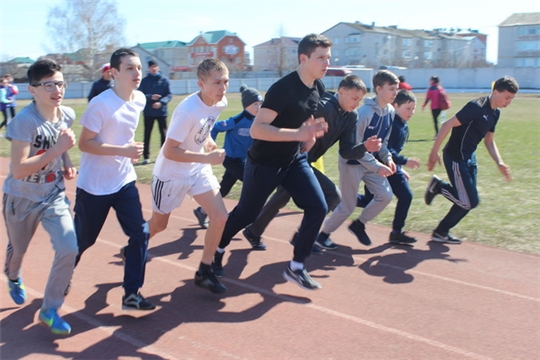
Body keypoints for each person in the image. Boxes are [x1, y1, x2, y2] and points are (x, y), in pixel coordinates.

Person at [212, 33, 331, 291]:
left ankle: (296, 267)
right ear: (304, 58)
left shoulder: (317, 87)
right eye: (321, 57)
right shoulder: (282, 89)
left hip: (293, 160)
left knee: (318, 206)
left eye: (328, 58)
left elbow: (303, 117)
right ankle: (216, 248)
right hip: (263, 163)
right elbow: (257, 129)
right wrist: (299, 134)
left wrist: (308, 136)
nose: (327, 63)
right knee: (247, 214)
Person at [242, 74, 381, 253]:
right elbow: (291, 122)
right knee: (331, 195)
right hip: (291, 158)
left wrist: (365, 147)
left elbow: (346, 151)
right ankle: (293, 237)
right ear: (341, 92)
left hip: (303, 162)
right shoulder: (322, 108)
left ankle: (255, 231)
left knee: (283, 197)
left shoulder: (351, 117)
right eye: (354, 98)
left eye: (360, 100)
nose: (357, 103)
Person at [74, 48, 155, 310]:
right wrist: (123, 150)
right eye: (130, 68)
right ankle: (60, 278)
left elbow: (122, 134)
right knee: (83, 240)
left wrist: (127, 148)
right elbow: (84, 144)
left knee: (140, 234)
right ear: (114, 73)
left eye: (139, 68)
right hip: (94, 185)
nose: (137, 73)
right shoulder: (101, 103)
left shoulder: (140, 99)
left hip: (123, 180)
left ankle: (131, 294)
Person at [2, 59, 78, 335]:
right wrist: (57, 151)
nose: (57, 89)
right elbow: (19, 170)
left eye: (60, 83)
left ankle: (50, 308)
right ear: (32, 90)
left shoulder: (67, 114)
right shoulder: (24, 122)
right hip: (20, 197)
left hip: (53, 195)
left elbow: (63, 142)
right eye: (48, 85)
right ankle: (12, 276)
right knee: (18, 250)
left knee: (69, 247)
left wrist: (66, 160)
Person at [147, 58, 230, 294]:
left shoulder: (218, 101)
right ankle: (135, 245)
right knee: (159, 225)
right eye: (216, 82)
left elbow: (205, 125)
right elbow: (170, 151)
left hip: (197, 169)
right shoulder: (187, 111)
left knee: (220, 216)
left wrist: (208, 140)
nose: (222, 88)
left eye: (225, 81)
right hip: (171, 174)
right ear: (200, 84)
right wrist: (206, 158)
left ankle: (205, 271)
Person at [424, 76, 519, 244]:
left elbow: (489, 141)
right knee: (469, 201)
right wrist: (434, 152)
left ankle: (441, 231)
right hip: (455, 157)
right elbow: (446, 125)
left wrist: (500, 163)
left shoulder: (495, 113)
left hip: (469, 159)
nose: (509, 102)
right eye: (507, 97)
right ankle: (438, 187)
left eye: (511, 99)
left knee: (468, 201)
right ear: (496, 92)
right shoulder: (475, 107)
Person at [316, 70, 398, 247]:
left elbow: (382, 142)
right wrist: (377, 166)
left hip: (370, 162)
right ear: (378, 89)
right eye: (391, 89)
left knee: (385, 195)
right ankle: (322, 235)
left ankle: (359, 225)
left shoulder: (391, 112)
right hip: (352, 163)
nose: (395, 93)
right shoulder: (364, 113)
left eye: (396, 89)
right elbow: (354, 146)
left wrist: (388, 158)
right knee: (348, 205)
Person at [193, 84, 263, 229]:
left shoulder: (258, 121)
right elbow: (215, 127)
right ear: (246, 105)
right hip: (230, 160)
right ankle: (242, 219)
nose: (258, 107)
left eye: (260, 104)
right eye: (255, 104)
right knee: (252, 185)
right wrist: (210, 143)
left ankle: (201, 211)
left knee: (224, 188)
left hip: (243, 160)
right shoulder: (237, 120)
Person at [356, 89, 421, 245]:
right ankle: (340, 199)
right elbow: (386, 149)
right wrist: (404, 162)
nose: (411, 112)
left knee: (404, 196)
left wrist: (400, 167)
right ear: (395, 106)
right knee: (371, 200)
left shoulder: (402, 124)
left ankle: (396, 232)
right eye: (407, 108)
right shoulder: (393, 124)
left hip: (391, 166)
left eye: (413, 109)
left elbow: (393, 152)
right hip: (379, 166)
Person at [138, 60, 172, 165]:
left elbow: (169, 94)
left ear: (158, 67)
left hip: (161, 112)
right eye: (152, 67)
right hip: (148, 112)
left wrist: (161, 102)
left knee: (163, 134)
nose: (154, 68)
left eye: (156, 66)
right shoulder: (144, 81)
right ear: (149, 68)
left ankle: (163, 156)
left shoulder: (164, 80)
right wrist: (150, 97)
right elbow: (139, 95)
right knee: (147, 134)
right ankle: (146, 157)